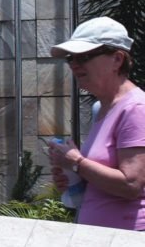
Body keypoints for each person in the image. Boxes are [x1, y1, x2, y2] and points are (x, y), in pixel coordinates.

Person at [48, 17, 145, 230]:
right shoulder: (100, 108)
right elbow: (104, 179)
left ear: (117, 59)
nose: (74, 65)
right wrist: (74, 179)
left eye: (84, 57)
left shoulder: (136, 108)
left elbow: (131, 185)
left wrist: (76, 163)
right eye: (70, 58)